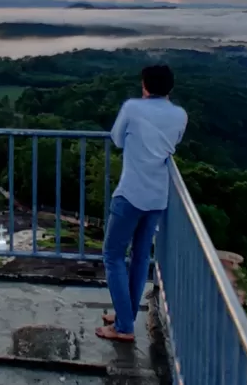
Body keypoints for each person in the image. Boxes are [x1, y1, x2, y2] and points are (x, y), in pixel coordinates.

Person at [96, 64, 188, 343]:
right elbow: (176, 142)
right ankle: (125, 316)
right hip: (158, 197)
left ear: (144, 85)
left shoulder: (133, 108)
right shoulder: (180, 115)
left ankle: (124, 327)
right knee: (139, 258)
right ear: (170, 88)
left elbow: (116, 138)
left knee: (112, 255)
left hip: (130, 193)